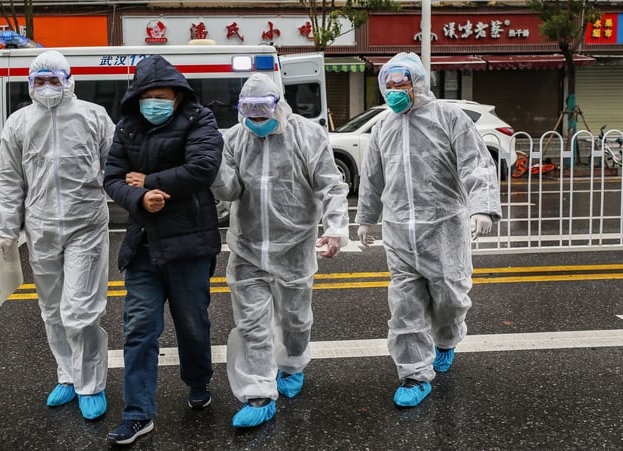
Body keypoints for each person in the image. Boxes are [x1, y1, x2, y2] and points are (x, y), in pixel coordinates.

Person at [355, 52, 501, 408]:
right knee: (404, 308)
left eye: (400, 84)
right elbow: (373, 180)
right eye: (388, 85)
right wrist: (366, 219)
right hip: (400, 233)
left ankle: (447, 339)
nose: (393, 91)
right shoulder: (382, 128)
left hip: (444, 229)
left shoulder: (448, 117)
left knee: (450, 298)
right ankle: (413, 374)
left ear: (418, 83)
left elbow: (475, 163)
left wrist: (481, 207)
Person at [211, 73, 350, 428]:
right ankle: (258, 393)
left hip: (295, 247)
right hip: (248, 248)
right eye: (249, 111)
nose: (256, 119)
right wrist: (212, 169)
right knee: (252, 325)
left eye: (263, 110)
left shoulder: (307, 135)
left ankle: (293, 362)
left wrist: (335, 229)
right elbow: (228, 192)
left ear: (280, 104)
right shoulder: (235, 138)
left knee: (295, 320)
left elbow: (331, 186)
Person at [102, 54, 223, 445]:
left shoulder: (199, 119)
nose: (154, 101)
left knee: (192, 324)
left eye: (162, 95)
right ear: (137, 96)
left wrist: (152, 181)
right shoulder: (128, 126)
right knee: (138, 329)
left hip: (189, 243)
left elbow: (205, 167)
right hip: (143, 247)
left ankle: (198, 380)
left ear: (177, 94)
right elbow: (113, 178)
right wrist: (139, 197)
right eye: (147, 95)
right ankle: (138, 414)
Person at [0, 50, 116, 421]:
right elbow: (9, 177)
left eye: (54, 79)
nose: (47, 87)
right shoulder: (19, 123)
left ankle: (91, 384)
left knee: (80, 310)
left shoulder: (93, 116)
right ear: (30, 84)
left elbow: (118, 164)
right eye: (39, 80)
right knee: (52, 310)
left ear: (68, 80)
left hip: (86, 224)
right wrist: (5, 230)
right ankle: (68, 374)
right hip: (41, 226)